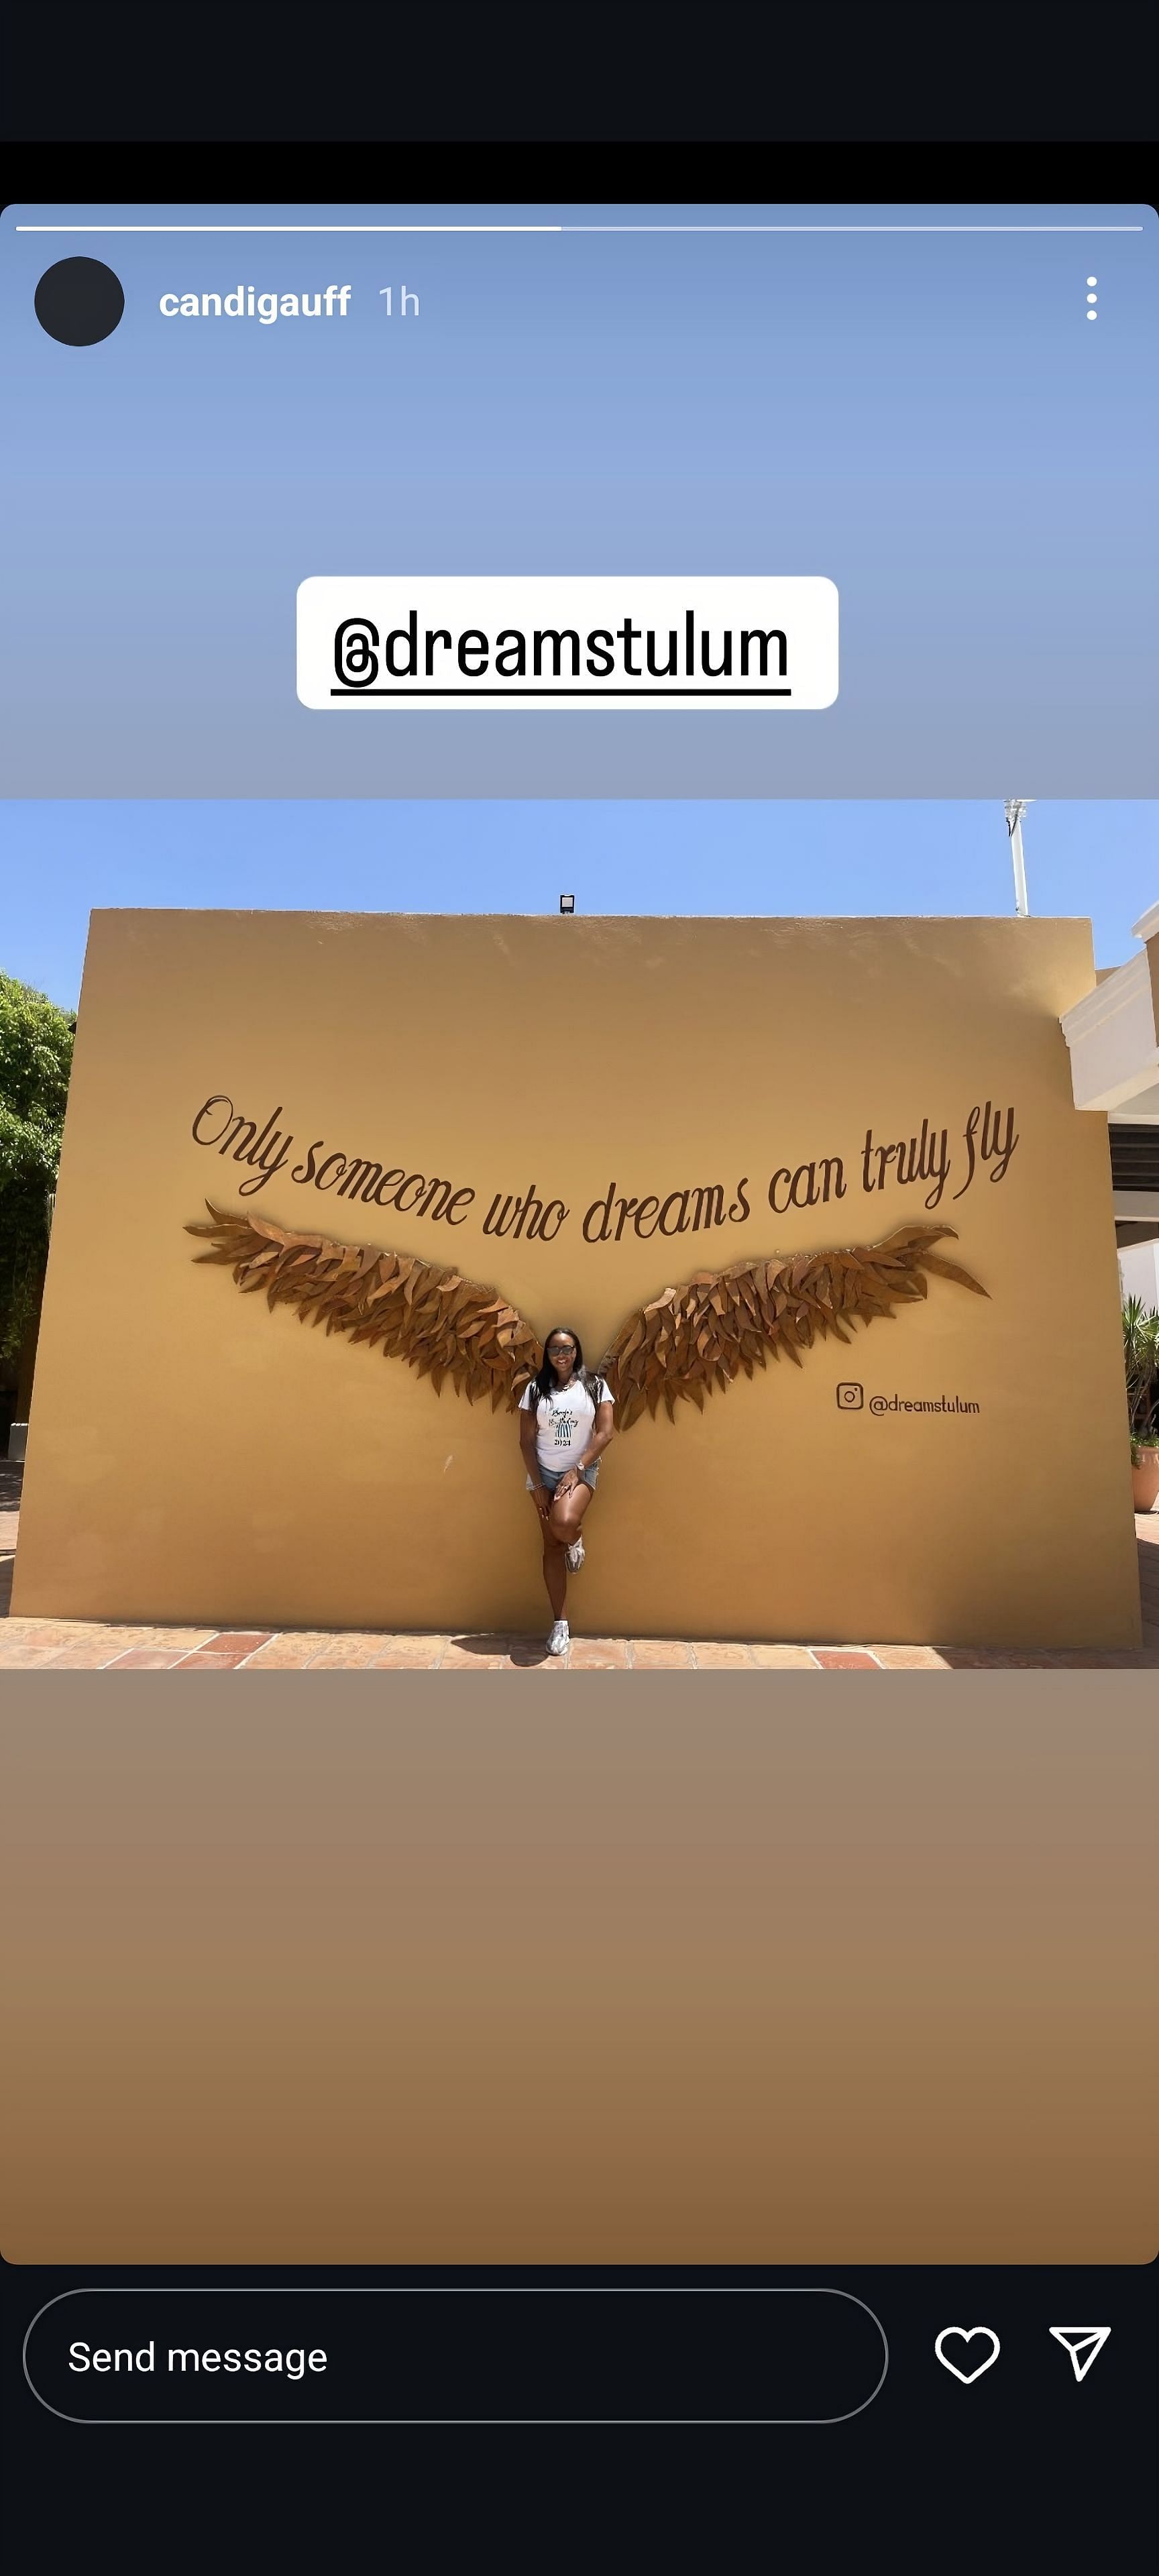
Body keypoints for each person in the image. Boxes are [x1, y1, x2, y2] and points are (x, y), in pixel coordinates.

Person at [518, 1326, 614, 1656]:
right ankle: (561, 1624)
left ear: (577, 1352)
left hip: (582, 1470)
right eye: (556, 1349)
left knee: (563, 1524)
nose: (562, 1355)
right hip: (543, 1472)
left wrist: (578, 1469)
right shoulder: (535, 1389)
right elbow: (526, 1441)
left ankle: (576, 1537)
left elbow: (605, 1433)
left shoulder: (595, 1386)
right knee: (550, 1546)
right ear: (547, 1354)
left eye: (568, 1348)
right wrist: (537, 1485)